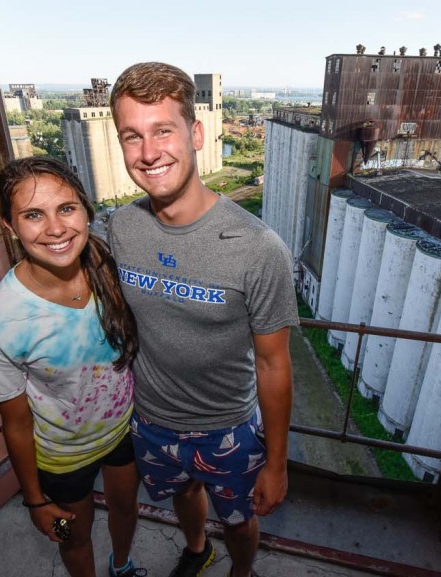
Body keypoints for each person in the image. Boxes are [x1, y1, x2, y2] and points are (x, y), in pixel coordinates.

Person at [107, 62, 298, 577]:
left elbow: (274, 364)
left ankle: (241, 571)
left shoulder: (258, 250)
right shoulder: (122, 229)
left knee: (239, 520)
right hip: (149, 422)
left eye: (162, 130)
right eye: (132, 136)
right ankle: (196, 551)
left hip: (227, 429)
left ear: (195, 133)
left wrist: (276, 464)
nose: (148, 153)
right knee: (183, 496)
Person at [0, 157, 146, 577]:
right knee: (74, 535)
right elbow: (14, 423)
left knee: (126, 508)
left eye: (66, 208)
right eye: (33, 215)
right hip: (61, 458)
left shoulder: (108, 266)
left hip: (123, 430)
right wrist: (35, 499)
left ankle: (122, 566)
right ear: (10, 226)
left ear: (86, 210)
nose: (55, 228)